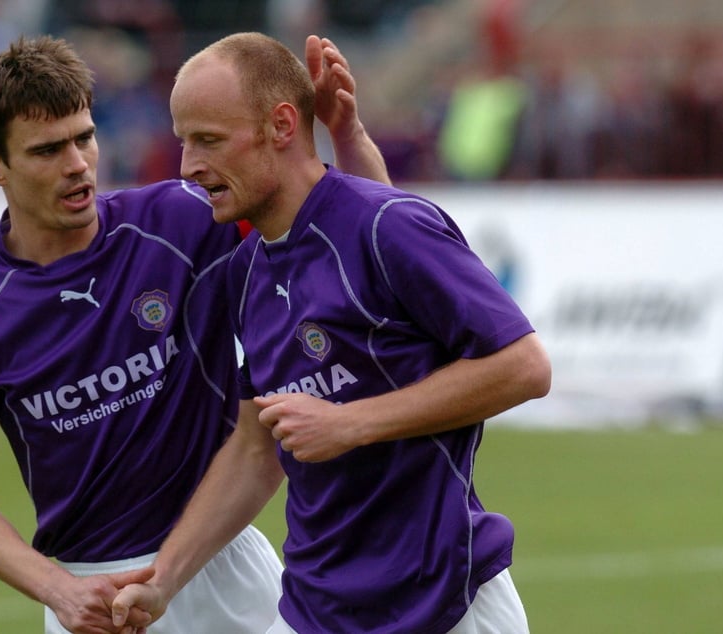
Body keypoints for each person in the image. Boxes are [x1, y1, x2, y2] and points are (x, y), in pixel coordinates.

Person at [0, 33, 389, 634]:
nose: (77, 163)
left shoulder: (181, 219)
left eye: (84, 136)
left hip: (226, 569)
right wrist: (57, 588)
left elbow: (359, 241)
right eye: (47, 150)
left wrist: (348, 137)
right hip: (90, 600)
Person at [111, 32, 552, 633]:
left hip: (448, 603)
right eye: (184, 141)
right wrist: (163, 580)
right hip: (315, 609)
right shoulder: (243, 273)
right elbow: (251, 446)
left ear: (282, 125)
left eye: (208, 140)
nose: (189, 166)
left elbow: (524, 366)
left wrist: (351, 422)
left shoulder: (388, 226)